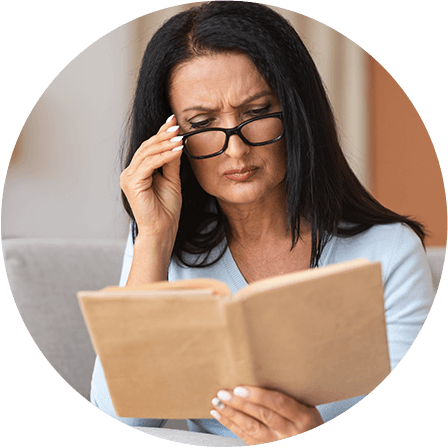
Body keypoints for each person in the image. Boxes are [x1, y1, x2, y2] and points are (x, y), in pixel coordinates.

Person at [90, 2, 434, 444]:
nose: (236, 150)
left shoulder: (389, 250)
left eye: (255, 113)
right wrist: (153, 239)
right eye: (203, 123)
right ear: (169, 138)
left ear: (296, 113)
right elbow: (124, 417)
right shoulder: (162, 245)